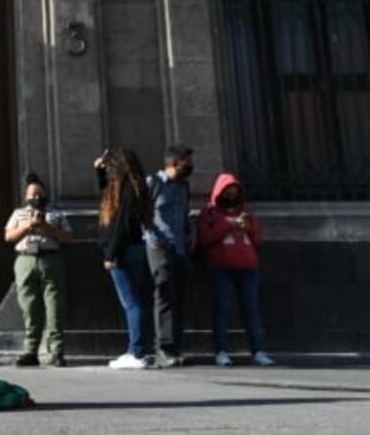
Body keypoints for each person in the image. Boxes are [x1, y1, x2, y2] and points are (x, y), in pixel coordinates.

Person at [197, 173, 274, 367]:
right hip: (221, 266)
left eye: (235, 192)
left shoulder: (246, 212)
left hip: (247, 266)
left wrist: (247, 227)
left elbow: (258, 240)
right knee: (222, 308)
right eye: (227, 192)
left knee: (251, 309)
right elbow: (204, 238)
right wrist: (228, 228)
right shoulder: (210, 213)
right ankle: (221, 351)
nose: (231, 196)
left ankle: (258, 351)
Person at [4, 172, 73, 367]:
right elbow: (8, 237)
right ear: (25, 197)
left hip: (50, 259)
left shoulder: (55, 214)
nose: (35, 199)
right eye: (31, 195)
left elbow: (68, 237)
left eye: (38, 194)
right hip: (25, 260)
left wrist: (46, 226)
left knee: (54, 306)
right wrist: (27, 226)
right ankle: (30, 351)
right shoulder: (18, 214)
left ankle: (57, 351)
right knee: (29, 307)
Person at [95, 147, 153, 370]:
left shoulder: (127, 190)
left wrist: (111, 253)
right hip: (135, 249)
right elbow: (104, 191)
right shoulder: (134, 187)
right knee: (135, 301)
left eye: (110, 167)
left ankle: (136, 352)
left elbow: (120, 225)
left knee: (131, 303)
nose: (108, 171)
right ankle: (137, 349)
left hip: (123, 250)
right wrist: (99, 173)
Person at [145, 144, 195, 368]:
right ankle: (162, 349)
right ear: (174, 162)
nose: (191, 165)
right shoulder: (153, 183)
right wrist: (153, 238)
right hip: (159, 247)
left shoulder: (183, 186)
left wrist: (191, 231)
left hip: (180, 247)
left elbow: (184, 213)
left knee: (179, 296)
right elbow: (143, 215)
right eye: (187, 160)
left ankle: (176, 347)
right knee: (163, 294)